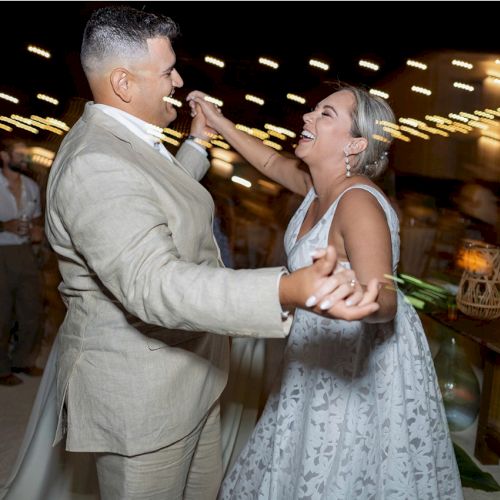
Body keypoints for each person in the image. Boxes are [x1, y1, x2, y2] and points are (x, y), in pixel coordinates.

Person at [14, 6, 381, 500]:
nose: (178, 80)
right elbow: (155, 282)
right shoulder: (96, 162)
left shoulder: (125, 141)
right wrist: (286, 287)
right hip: (143, 400)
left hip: (190, 381)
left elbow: (149, 204)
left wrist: (197, 145)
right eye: (167, 71)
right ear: (123, 83)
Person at [188, 86, 463, 499]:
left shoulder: (358, 203)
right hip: (317, 353)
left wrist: (354, 302)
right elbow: (268, 161)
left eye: (326, 114)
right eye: (315, 109)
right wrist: (219, 121)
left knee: (337, 470)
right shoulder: (319, 189)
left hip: (354, 362)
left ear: (354, 144)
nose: (308, 117)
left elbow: (385, 300)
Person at [0, 139, 44, 386]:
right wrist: (3, 225)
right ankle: (1, 367)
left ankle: (23, 360)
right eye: (19, 154)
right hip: (1, 251)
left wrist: (37, 232)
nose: (24, 159)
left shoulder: (31, 186)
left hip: (25, 251)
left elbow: (36, 218)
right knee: (2, 313)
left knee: (33, 310)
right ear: (4, 157)